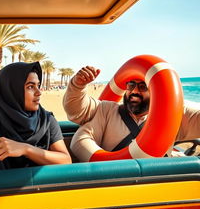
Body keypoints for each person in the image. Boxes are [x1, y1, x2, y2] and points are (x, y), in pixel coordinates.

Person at [63, 66, 200, 162]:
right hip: (116, 184)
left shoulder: (172, 115)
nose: (134, 91)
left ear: (155, 91)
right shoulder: (107, 109)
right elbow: (76, 109)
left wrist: (175, 100)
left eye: (142, 87)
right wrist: (77, 85)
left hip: (158, 185)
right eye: (131, 85)